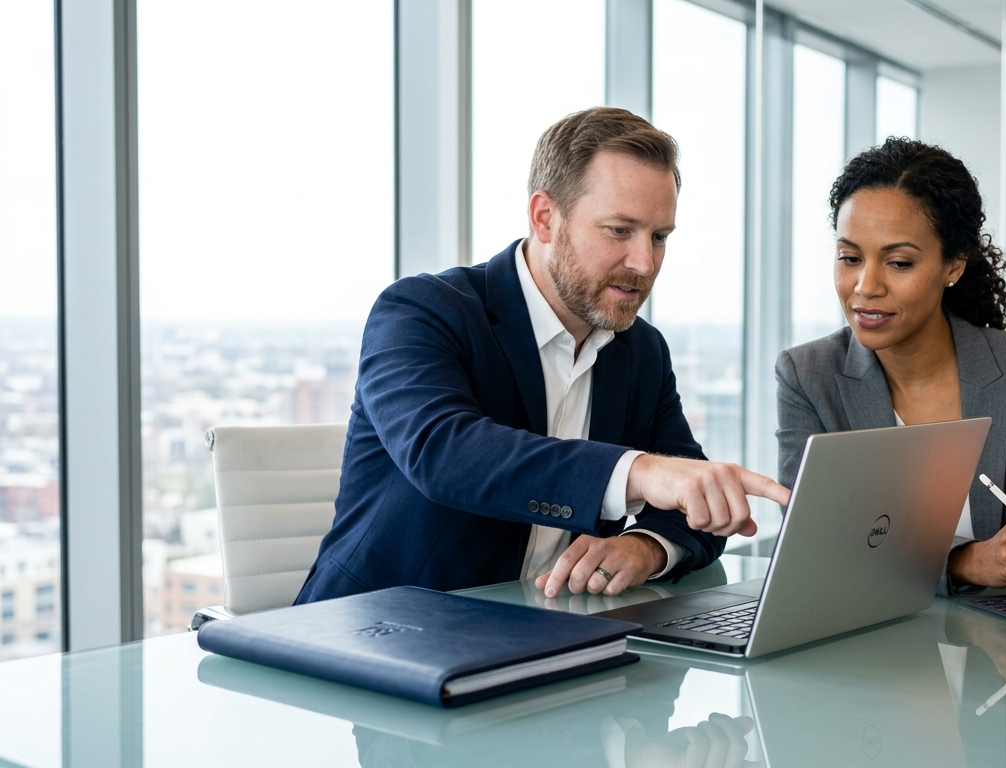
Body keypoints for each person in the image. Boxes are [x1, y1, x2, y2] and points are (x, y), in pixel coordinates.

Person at [296, 108, 790, 606]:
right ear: (545, 217)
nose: (645, 263)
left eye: (659, 236)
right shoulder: (422, 310)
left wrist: (644, 548)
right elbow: (443, 452)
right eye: (620, 230)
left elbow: (692, 497)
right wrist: (639, 472)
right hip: (376, 631)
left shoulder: (640, 350)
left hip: (546, 633)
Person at [774, 138, 1006, 594]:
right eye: (849, 258)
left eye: (898, 262)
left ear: (953, 265)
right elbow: (814, 545)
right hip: (874, 648)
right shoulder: (807, 376)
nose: (865, 286)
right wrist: (962, 560)